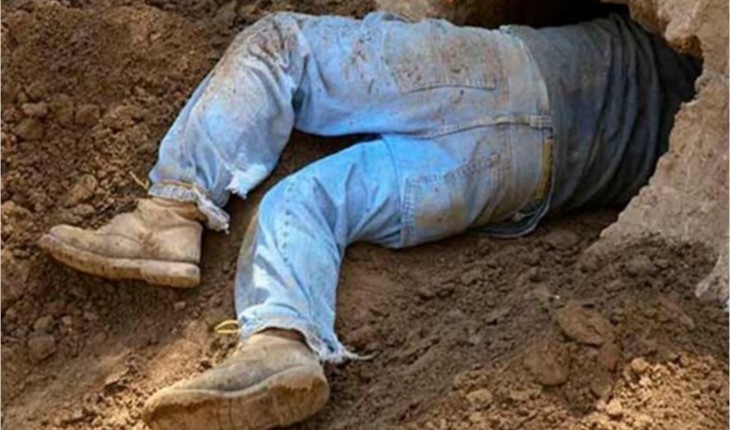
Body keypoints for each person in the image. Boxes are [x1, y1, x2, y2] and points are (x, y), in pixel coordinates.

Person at [38, 9, 699, 430]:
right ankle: (279, 345)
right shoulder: (694, 129)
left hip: (507, 77)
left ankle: (171, 211)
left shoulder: (656, 52)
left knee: (281, 46)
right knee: (303, 201)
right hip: (525, 180)